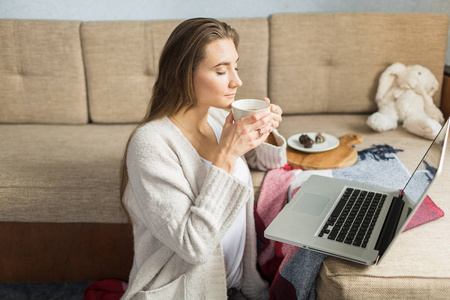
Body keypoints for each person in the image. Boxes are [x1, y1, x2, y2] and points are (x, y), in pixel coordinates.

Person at [120, 17, 287, 300]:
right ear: (184, 74)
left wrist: (267, 131)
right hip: (189, 292)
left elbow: (271, 164)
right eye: (222, 71)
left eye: (236, 66)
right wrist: (227, 154)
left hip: (240, 287)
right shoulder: (150, 144)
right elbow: (193, 246)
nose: (237, 80)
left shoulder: (220, 116)